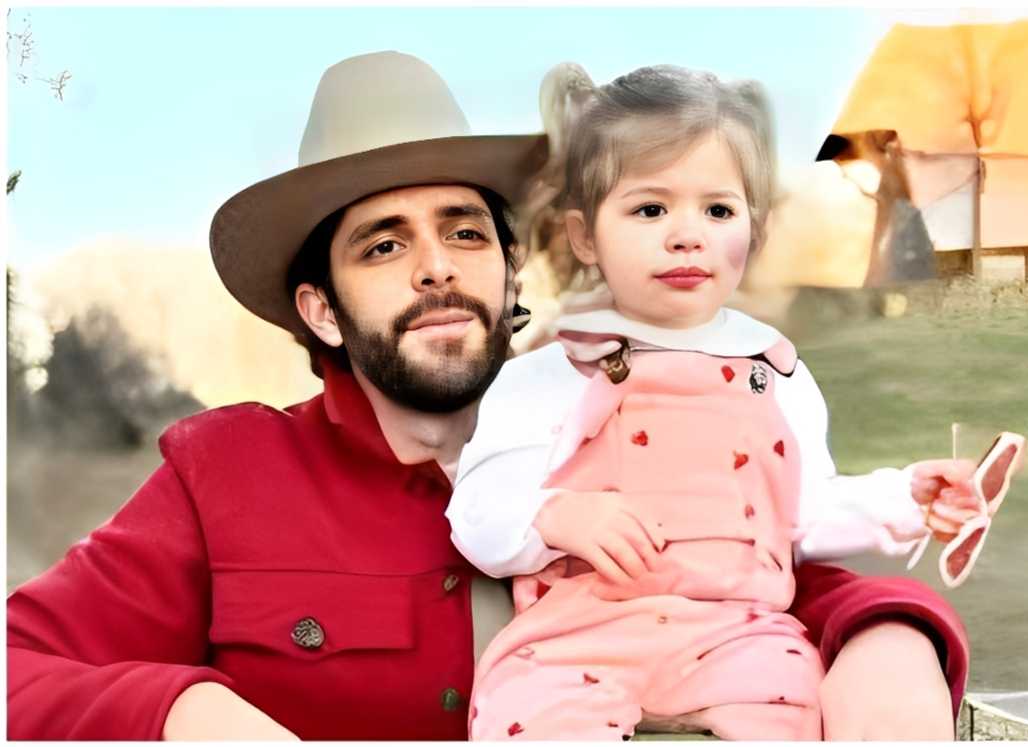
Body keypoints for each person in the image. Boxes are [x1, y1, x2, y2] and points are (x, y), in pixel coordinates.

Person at [6, 51, 548, 740]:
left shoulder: (622, 441)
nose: (437, 266)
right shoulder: (224, 474)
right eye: (384, 246)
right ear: (323, 312)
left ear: (510, 274)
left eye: (465, 233)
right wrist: (182, 709)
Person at [448, 64, 975, 740]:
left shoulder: (775, 372)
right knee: (530, 710)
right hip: (579, 637)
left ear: (754, 230)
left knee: (791, 701)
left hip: (739, 634)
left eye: (718, 210)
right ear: (584, 236)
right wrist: (555, 515)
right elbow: (477, 510)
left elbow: (804, 515)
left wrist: (905, 498)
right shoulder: (552, 374)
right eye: (650, 209)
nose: (686, 234)